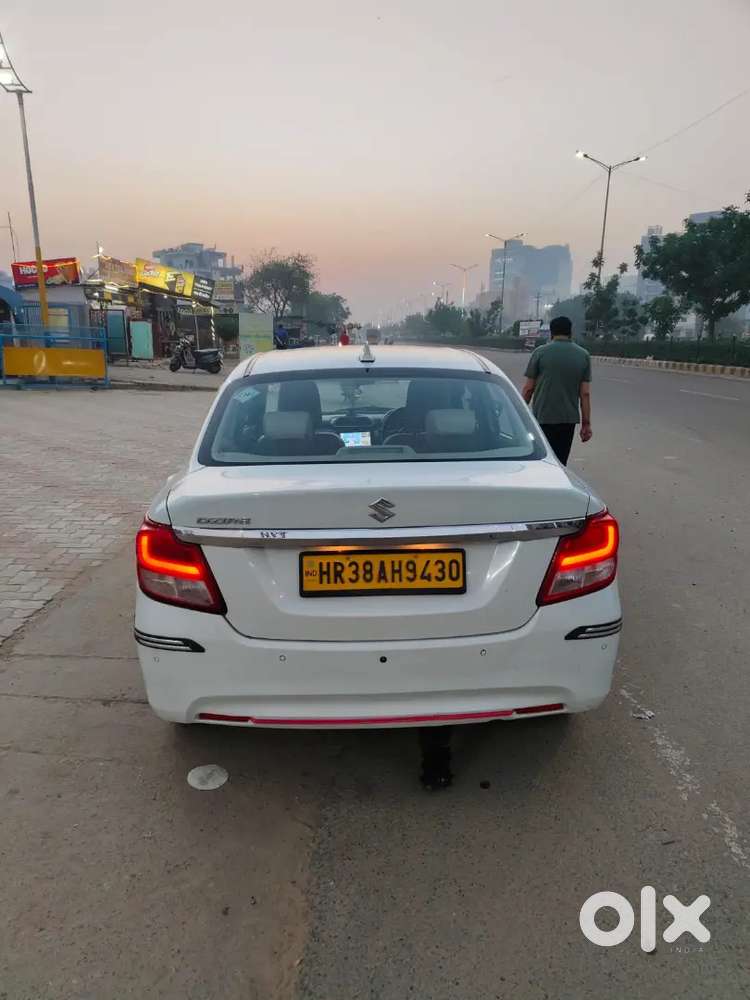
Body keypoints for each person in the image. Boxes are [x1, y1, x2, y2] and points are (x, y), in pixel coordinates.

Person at [521, 315, 592, 466]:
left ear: (551, 333)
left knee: (541, 461)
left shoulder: (540, 352)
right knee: (560, 462)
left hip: (542, 417)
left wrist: (519, 414)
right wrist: (586, 424)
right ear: (570, 333)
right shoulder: (583, 355)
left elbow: (528, 389)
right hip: (567, 420)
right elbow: (585, 393)